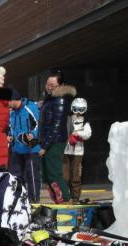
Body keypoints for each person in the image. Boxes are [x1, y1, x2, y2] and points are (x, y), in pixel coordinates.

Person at [38, 70, 77, 203]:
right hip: (47, 140)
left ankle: (66, 199)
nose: (49, 87)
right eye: (48, 84)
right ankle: (58, 200)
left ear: (61, 85)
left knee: (54, 173)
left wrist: (45, 146)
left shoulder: (60, 99)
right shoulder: (50, 99)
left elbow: (56, 126)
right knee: (47, 175)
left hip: (55, 141)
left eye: (52, 85)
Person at [8, 87, 42, 203]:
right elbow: (10, 128)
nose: (6, 104)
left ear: (13, 99)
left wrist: (32, 135)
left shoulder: (30, 107)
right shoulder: (11, 112)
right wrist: (9, 136)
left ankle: (34, 202)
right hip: (16, 150)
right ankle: (19, 201)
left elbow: (38, 124)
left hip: (30, 150)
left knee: (32, 176)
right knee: (15, 177)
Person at [64, 97, 91, 202]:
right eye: (76, 109)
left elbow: (88, 133)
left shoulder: (85, 121)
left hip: (78, 151)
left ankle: (75, 198)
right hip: (65, 151)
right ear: (72, 108)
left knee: (75, 176)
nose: (78, 112)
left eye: (81, 109)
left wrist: (78, 133)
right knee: (65, 176)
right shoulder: (67, 118)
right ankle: (65, 197)